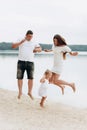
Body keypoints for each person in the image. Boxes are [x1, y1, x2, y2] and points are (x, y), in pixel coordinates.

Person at [12, 30, 42, 99]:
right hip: (21, 61)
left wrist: (37, 50)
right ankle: (20, 92)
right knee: (19, 78)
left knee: (31, 78)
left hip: (30, 62)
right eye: (29, 36)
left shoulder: (34, 41)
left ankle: (29, 92)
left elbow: (40, 49)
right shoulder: (20, 39)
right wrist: (21, 42)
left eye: (31, 36)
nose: (30, 38)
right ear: (26, 35)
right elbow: (13, 46)